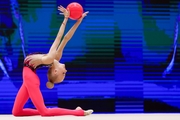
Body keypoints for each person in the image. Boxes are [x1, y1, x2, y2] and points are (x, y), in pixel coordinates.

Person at [12, 5, 93, 117]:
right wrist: (79, 21)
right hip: (28, 75)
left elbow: (58, 37)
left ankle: (77, 112)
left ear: (55, 71)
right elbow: (65, 38)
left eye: (63, 73)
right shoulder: (56, 58)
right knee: (17, 112)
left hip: (30, 77)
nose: (66, 71)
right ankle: (73, 111)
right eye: (64, 74)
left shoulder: (50, 58)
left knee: (45, 112)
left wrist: (65, 18)